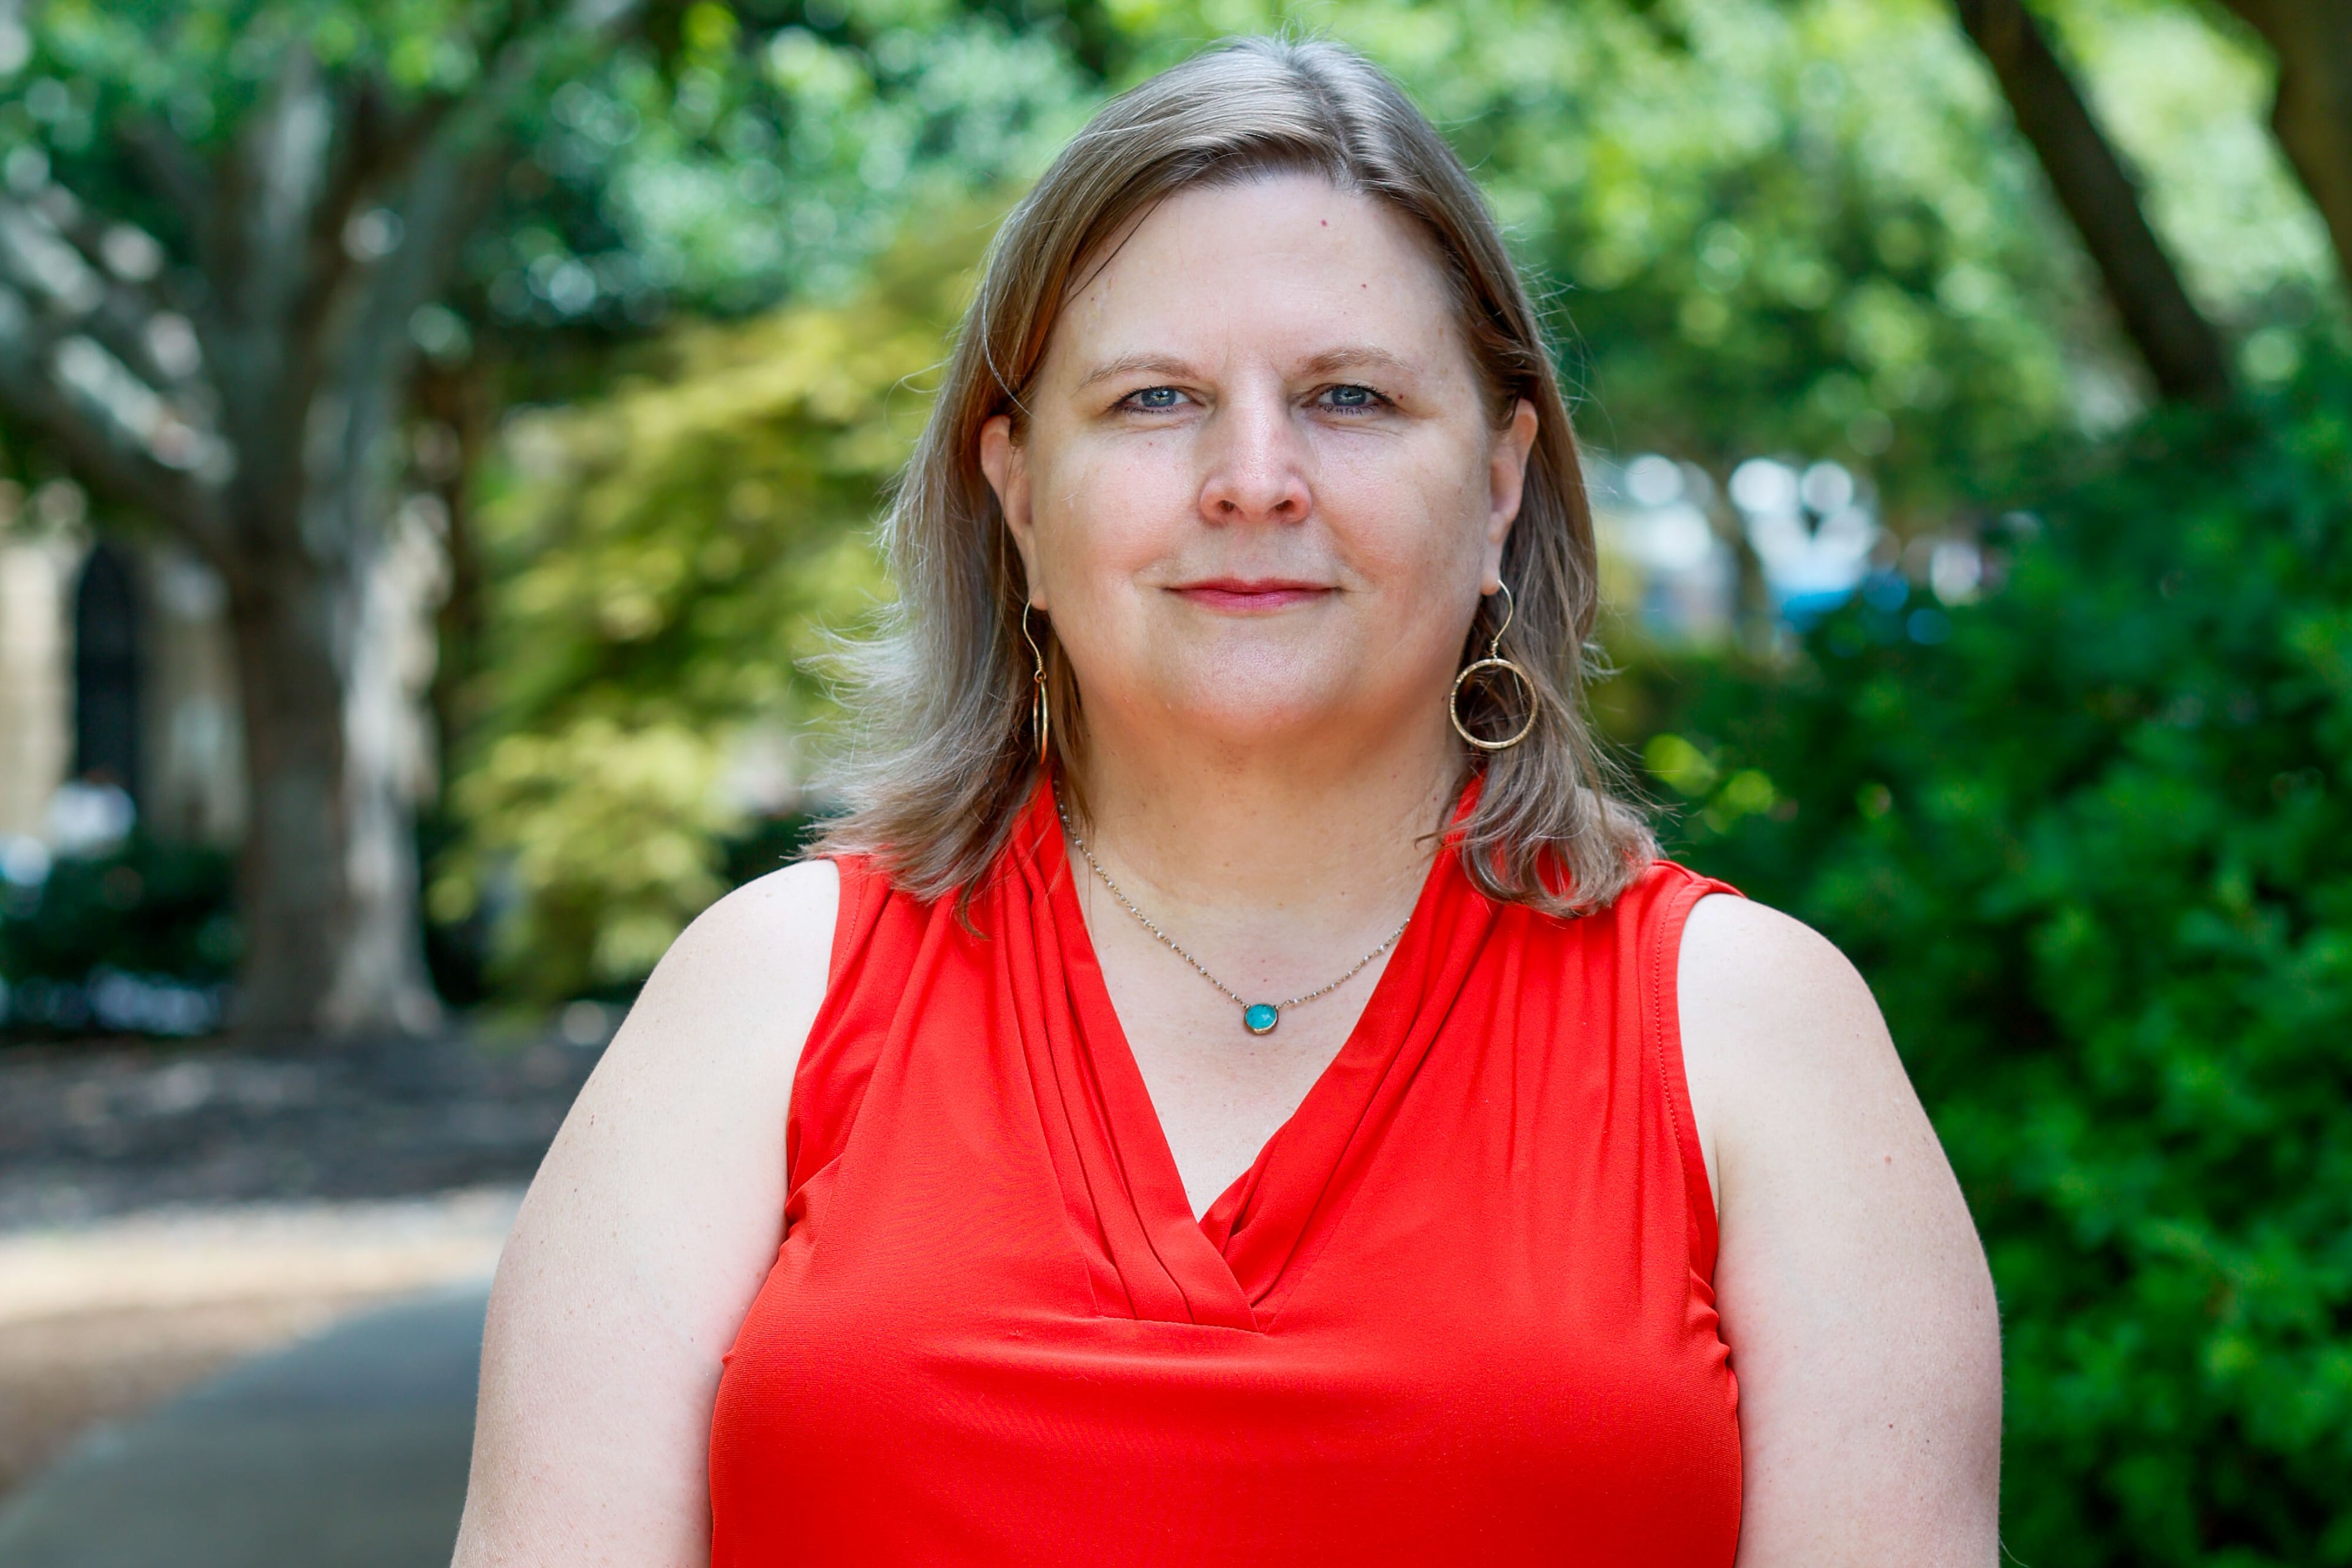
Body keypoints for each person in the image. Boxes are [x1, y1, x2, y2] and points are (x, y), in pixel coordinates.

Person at [452, 36, 2001, 1567]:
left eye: (1347, 396)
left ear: (1504, 482)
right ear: (1019, 494)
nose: (1252, 477)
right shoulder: (767, 999)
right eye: (1152, 400)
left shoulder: (1756, 1036)